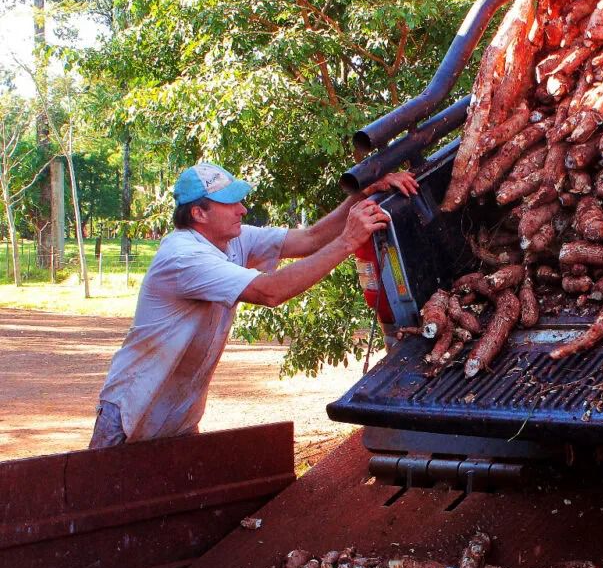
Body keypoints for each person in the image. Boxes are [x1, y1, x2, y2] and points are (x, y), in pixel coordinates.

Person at [89, 162, 418, 448]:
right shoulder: (183, 257)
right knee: (101, 498)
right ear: (198, 213)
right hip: (132, 414)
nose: (242, 209)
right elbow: (270, 292)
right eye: (230, 202)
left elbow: (311, 239)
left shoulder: (233, 239)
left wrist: (362, 193)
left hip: (179, 415)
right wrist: (348, 241)